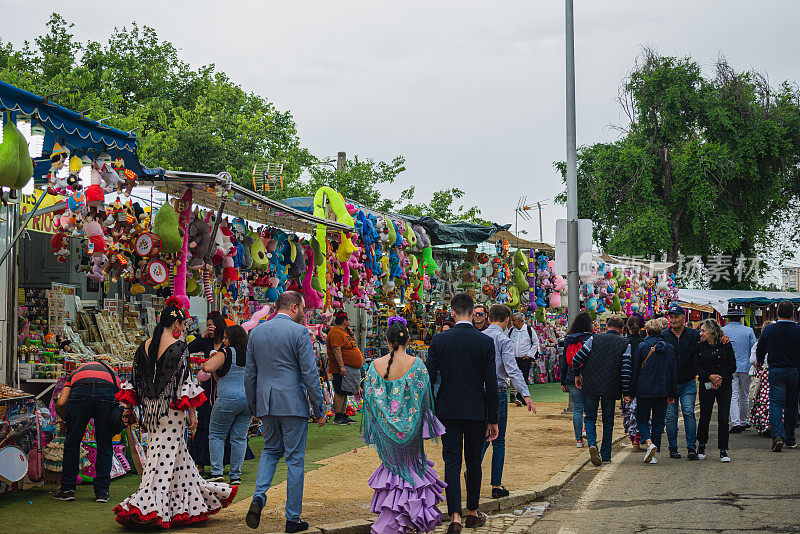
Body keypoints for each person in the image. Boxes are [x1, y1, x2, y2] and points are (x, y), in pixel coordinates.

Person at [114, 298, 236, 528]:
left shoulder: (145, 345)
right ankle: (147, 507)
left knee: (178, 460)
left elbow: (134, 381)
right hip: (172, 413)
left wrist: (130, 408)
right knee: (161, 460)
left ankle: (190, 506)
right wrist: (192, 415)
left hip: (150, 412)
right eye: (184, 324)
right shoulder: (179, 348)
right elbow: (184, 385)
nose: (185, 329)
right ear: (177, 324)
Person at [244, 291, 326, 533]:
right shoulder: (300, 332)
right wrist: (320, 406)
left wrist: (253, 406)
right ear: (293, 308)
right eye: (302, 308)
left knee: (271, 450)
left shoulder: (256, 331)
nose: (304, 313)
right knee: (295, 459)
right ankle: (292, 518)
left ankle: (259, 496)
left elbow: (250, 374)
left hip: (265, 402)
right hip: (293, 403)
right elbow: (310, 373)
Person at [362, 317, 446, 534]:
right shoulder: (417, 365)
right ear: (408, 340)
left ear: (387, 342)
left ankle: (393, 518)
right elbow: (425, 399)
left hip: (386, 432)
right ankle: (410, 516)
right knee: (412, 468)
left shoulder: (375, 366)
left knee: (393, 470)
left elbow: (370, 400)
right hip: (412, 429)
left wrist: (383, 422)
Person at [427, 293, 499, 533]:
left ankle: (455, 515)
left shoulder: (439, 340)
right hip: (476, 409)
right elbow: (491, 383)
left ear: (453, 312)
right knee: (474, 461)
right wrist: (493, 418)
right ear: (472, 312)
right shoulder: (484, 342)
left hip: (447, 408)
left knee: (452, 461)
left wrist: (432, 406)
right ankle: (473, 512)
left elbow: (430, 377)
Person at [481, 304, 536, 497]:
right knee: (499, 439)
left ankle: (473, 471)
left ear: (488, 318)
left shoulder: (479, 337)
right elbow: (512, 370)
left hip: (479, 393)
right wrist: (525, 394)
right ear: (506, 320)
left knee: (481, 436)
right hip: (498, 390)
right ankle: (496, 486)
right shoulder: (504, 340)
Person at [52, 361, 124, 503]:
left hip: (79, 392)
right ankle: (102, 492)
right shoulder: (113, 374)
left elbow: (60, 403)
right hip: (106, 392)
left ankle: (67, 490)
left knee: (72, 442)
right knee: (104, 444)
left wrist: (68, 421)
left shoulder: (74, 374)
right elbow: (121, 402)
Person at [571, 316, 631, 465]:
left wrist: (578, 375)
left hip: (590, 384)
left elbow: (576, 359)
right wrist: (626, 391)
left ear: (606, 327)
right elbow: (626, 370)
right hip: (611, 387)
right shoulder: (625, 343)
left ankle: (592, 443)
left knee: (590, 418)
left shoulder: (594, 339)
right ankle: (606, 455)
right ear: (622, 329)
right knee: (608, 421)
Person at [201, 325, 251, 485]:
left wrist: (214, 358)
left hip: (227, 399)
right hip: (248, 400)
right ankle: (236, 475)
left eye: (225, 337)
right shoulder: (250, 353)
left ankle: (217, 472)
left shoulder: (227, 352)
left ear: (232, 338)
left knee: (217, 435)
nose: (223, 340)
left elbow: (207, 367)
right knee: (240, 438)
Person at [624, 319, 676, 465]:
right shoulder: (670, 348)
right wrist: (672, 393)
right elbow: (673, 372)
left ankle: (648, 442)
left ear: (646, 331)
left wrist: (630, 392)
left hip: (644, 388)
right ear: (661, 331)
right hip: (663, 389)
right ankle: (654, 453)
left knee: (642, 419)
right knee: (659, 421)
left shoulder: (642, 346)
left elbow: (634, 371)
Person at [755, 301, 800, 452]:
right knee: (792, 406)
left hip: (775, 371)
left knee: (775, 404)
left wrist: (760, 362)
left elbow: (760, 349)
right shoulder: (798, 330)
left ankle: (777, 437)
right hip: (795, 371)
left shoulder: (769, 330)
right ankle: (791, 439)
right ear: (793, 313)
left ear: (776, 313)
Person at [187, 311, 227, 471]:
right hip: (207, 385)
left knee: (222, 422)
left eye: (211, 325)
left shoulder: (226, 342)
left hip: (223, 385)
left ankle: (222, 460)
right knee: (205, 420)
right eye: (207, 325)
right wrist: (203, 335)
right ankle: (201, 461)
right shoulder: (206, 342)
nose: (209, 328)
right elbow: (188, 349)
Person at [661, 304, 700, 460]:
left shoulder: (693, 335)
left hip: (688, 381)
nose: (673, 319)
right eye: (671, 317)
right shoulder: (663, 335)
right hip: (668, 384)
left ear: (683, 318)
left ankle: (691, 448)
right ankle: (673, 448)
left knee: (689, 412)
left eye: (676, 316)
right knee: (670, 416)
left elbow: (708, 342)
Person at [694, 319, 737, 462]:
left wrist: (719, 379)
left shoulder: (726, 344)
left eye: (703, 331)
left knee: (723, 418)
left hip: (724, 385)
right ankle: (701, 444)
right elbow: (697, 367)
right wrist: (710, 377)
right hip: (706, 384)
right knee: (704, 416)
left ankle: (723, 449)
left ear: (711, 331)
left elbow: (732, 365)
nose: (701, 333)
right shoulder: (700, 347)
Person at [560, 311, 593, 448]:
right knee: (590, 408)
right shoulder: (591, 338)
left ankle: (579, 440)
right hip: (589, 376)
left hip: (572, 376)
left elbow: (563, 361)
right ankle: (588, 433)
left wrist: (563, 380)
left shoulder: (569, 338)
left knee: (577, 409)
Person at [722, 306, 757, 434]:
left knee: (732, 396)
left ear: (729, 318)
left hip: (729, 368)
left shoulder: (723, 330)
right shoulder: (748, 330)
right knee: (744, 394)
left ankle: (736, 422)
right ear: (740, 318)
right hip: (746, 366)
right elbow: (754, 349)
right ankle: (743, 421)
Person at [326, 310, 364, 425]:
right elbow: (336, 349)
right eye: (348, 320)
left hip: (348, 368)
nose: (349, 322)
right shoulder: (336, 332)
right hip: (341, 368)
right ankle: (338, 416)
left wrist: (351, 333)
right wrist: (341, 366)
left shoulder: (344, 332)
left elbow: (354, 345)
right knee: (339, 392)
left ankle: (343, 414)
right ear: (345, 321)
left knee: (345, 391)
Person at [623, 315, 645, 450]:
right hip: (642, 382)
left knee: (629, 412)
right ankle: (638, 438)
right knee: (641, 412)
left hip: (626, 380)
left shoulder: (624, 343)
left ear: (628, 327)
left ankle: (633, 441)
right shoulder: (645, 343)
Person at [509, 312, 539, 405]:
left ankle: (520, 396)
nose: (512, 322)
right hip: (514, 358)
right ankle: (519, 396)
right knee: (515, 377)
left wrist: (529, 355)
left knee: (524, 377)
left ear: (520, 320)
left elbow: (536, 342)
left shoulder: (529, 329)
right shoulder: (511, 330)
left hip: (525, 359)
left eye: (514, 320)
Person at [749, 324, 771, 434]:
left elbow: (753, 360)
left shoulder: (758, 344)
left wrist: (759, 363)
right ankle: (771, 424)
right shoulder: (775, 344)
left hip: (761, 374)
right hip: (772, 372)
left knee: (761, 398)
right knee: (771, 400)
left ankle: (763, 425)